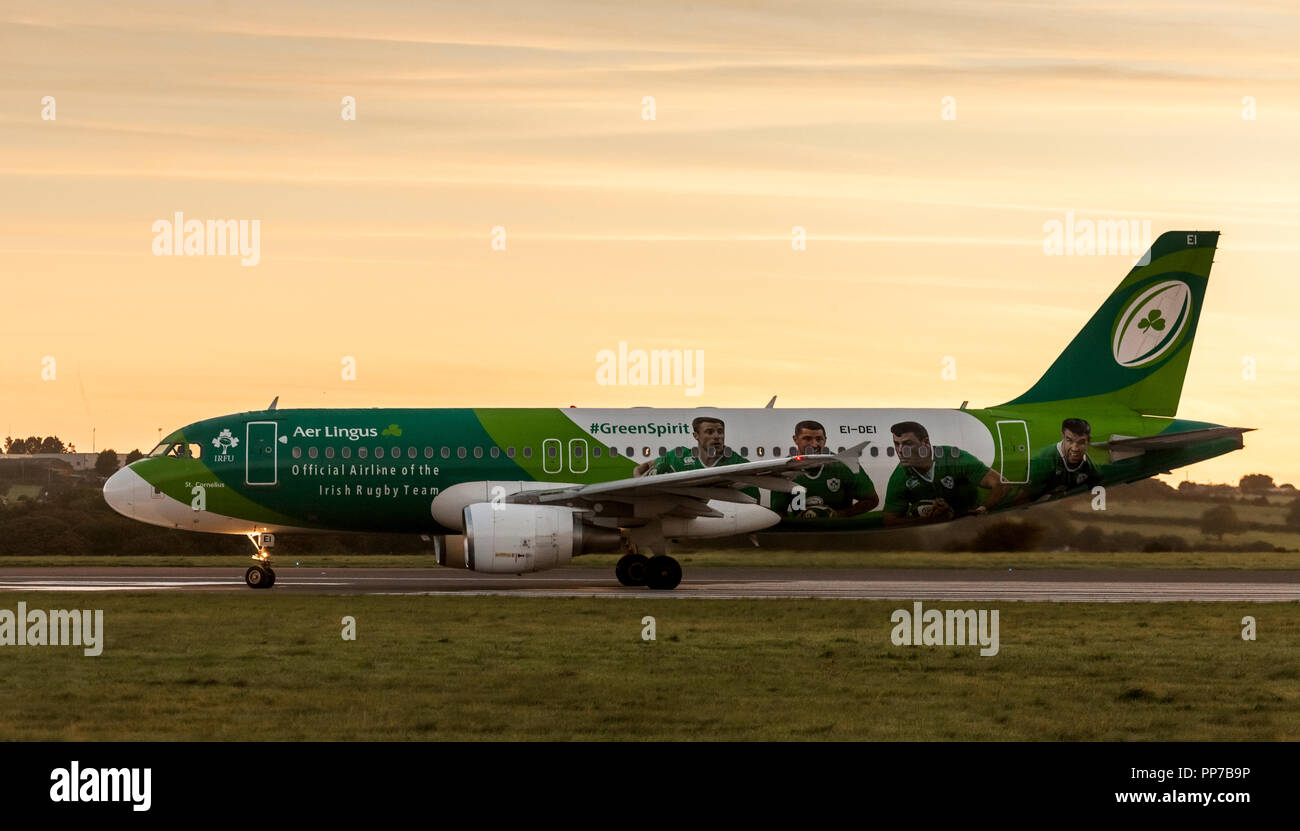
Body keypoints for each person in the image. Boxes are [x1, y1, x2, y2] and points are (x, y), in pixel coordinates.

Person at [882, 420, 1007, 526]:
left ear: (925, 442)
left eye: (907, 444)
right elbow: (889, 520)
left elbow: (1002, 484)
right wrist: (928, 520)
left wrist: (981, 510)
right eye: (896, 444)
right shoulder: (899, 477)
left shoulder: (955, 458)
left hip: (972, 521)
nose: (900, 451)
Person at [769, 420, 878, 518]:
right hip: (803, 534)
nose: (814, 444)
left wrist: (838, 515)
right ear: (795, 439)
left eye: (819, 439)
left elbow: (872, 500)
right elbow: (778, 513)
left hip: (839, 532)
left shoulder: (843, 465)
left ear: (825, 440)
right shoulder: (783, 470)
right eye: (807, 439)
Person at [1017, 418, 1102, 503]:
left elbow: (1100, 486)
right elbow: (1021, 500)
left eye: (1081, 442)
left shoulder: (1088, 464)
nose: (1075, 448)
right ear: (1062, 437)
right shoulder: (1043, 462)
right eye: (1069, 441)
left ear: (1088, 441)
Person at [634, 416, 747, 476]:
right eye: (710, 432)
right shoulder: (679, 456)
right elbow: (644, 466)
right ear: (696, 435)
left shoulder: (738, 463)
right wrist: (639, 483)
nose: (717, 436)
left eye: (720, 431)